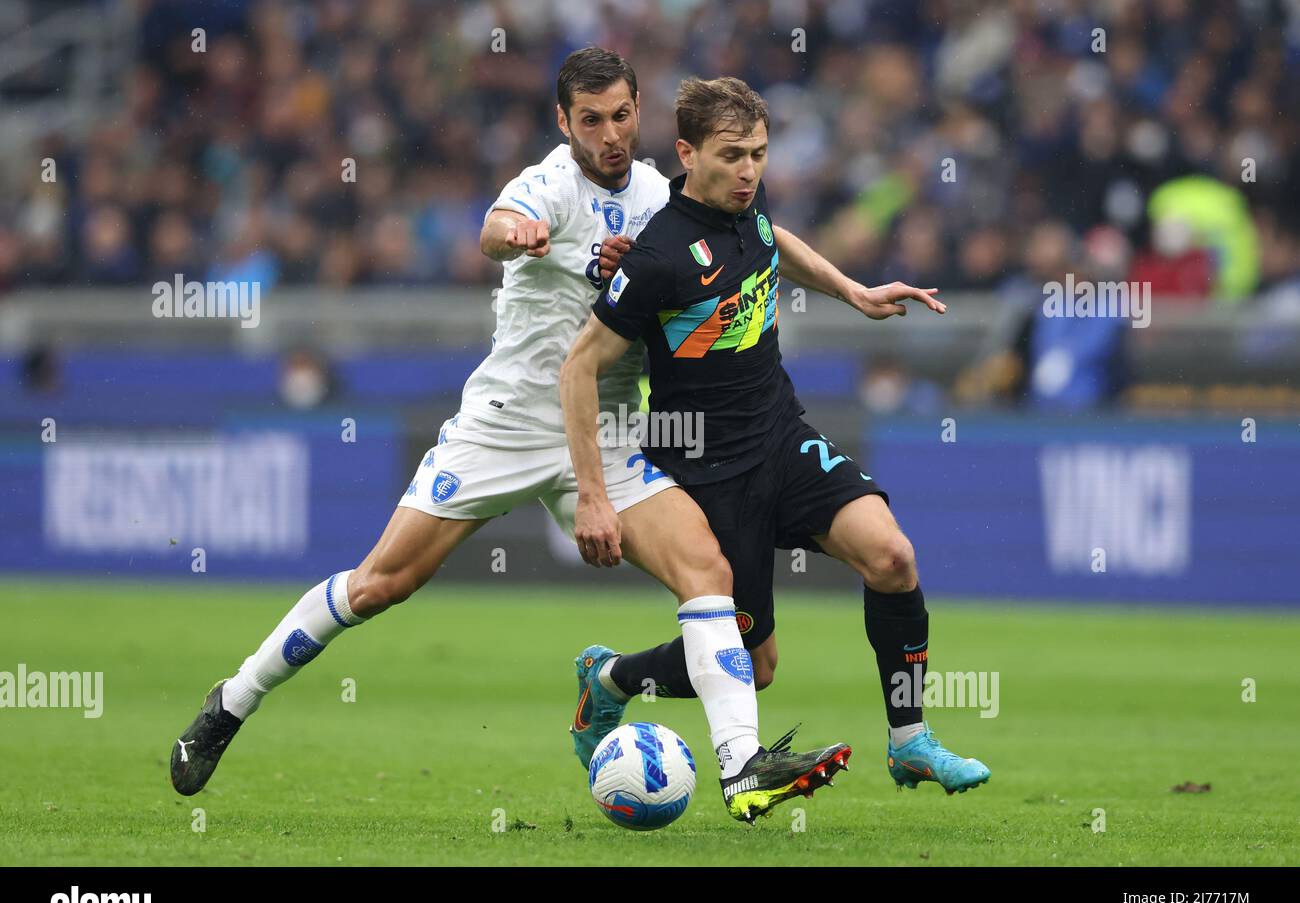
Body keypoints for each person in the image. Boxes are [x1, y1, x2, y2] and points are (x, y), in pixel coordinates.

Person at [168, 49, 847, 822]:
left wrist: (850, 288)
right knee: (379, 585)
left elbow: (756, 235)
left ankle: (740, 769)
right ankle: (231, 702)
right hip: (509, 426)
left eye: (621, 116)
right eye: (589, 121)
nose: (609, 136)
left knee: (709, 575)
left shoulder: (664, 194)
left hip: (609, 430)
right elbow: (494, 230)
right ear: (565, 123)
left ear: (639, 113)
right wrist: (519, 235)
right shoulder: (548, 186)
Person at [561, 76, 991, 801]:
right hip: (707, 471)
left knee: (891, 555)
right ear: (687, 154)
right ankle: (613, 677)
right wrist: (594, 498)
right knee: (756, 666)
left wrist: (851, 290)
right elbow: (579, 367)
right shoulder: (658, 255)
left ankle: (910, 740)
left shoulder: (745, 207)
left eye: (759, 153)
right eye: (733, 156)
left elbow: (770, 242)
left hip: (781, 438)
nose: (750, 170)